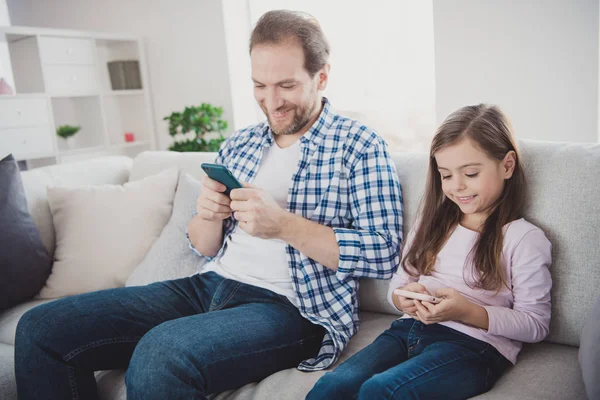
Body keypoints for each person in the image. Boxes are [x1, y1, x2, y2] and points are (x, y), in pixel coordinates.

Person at [14, 10, 403, 400]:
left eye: (286, 85)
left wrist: (283, 225)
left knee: (162, 353)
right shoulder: (242, 143)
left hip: (294, 309)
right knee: (40, 328)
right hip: (210, 284)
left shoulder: (360, 146)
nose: (271, 102)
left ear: (321, 77)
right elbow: (203, 247)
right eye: (259, 85)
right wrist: (207, 215)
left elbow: (385, 251)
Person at [307, 104, 552, 400]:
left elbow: (536, 324)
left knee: (380, 391)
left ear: (507, 165)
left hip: (473, 347)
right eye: (446, 175)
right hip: (407, 330)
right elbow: (397, 287)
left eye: (471, 173)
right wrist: (406, 299)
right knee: (331, 387)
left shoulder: (523, 238)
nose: (457, 186)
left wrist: (466, 311)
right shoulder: (433, 222)